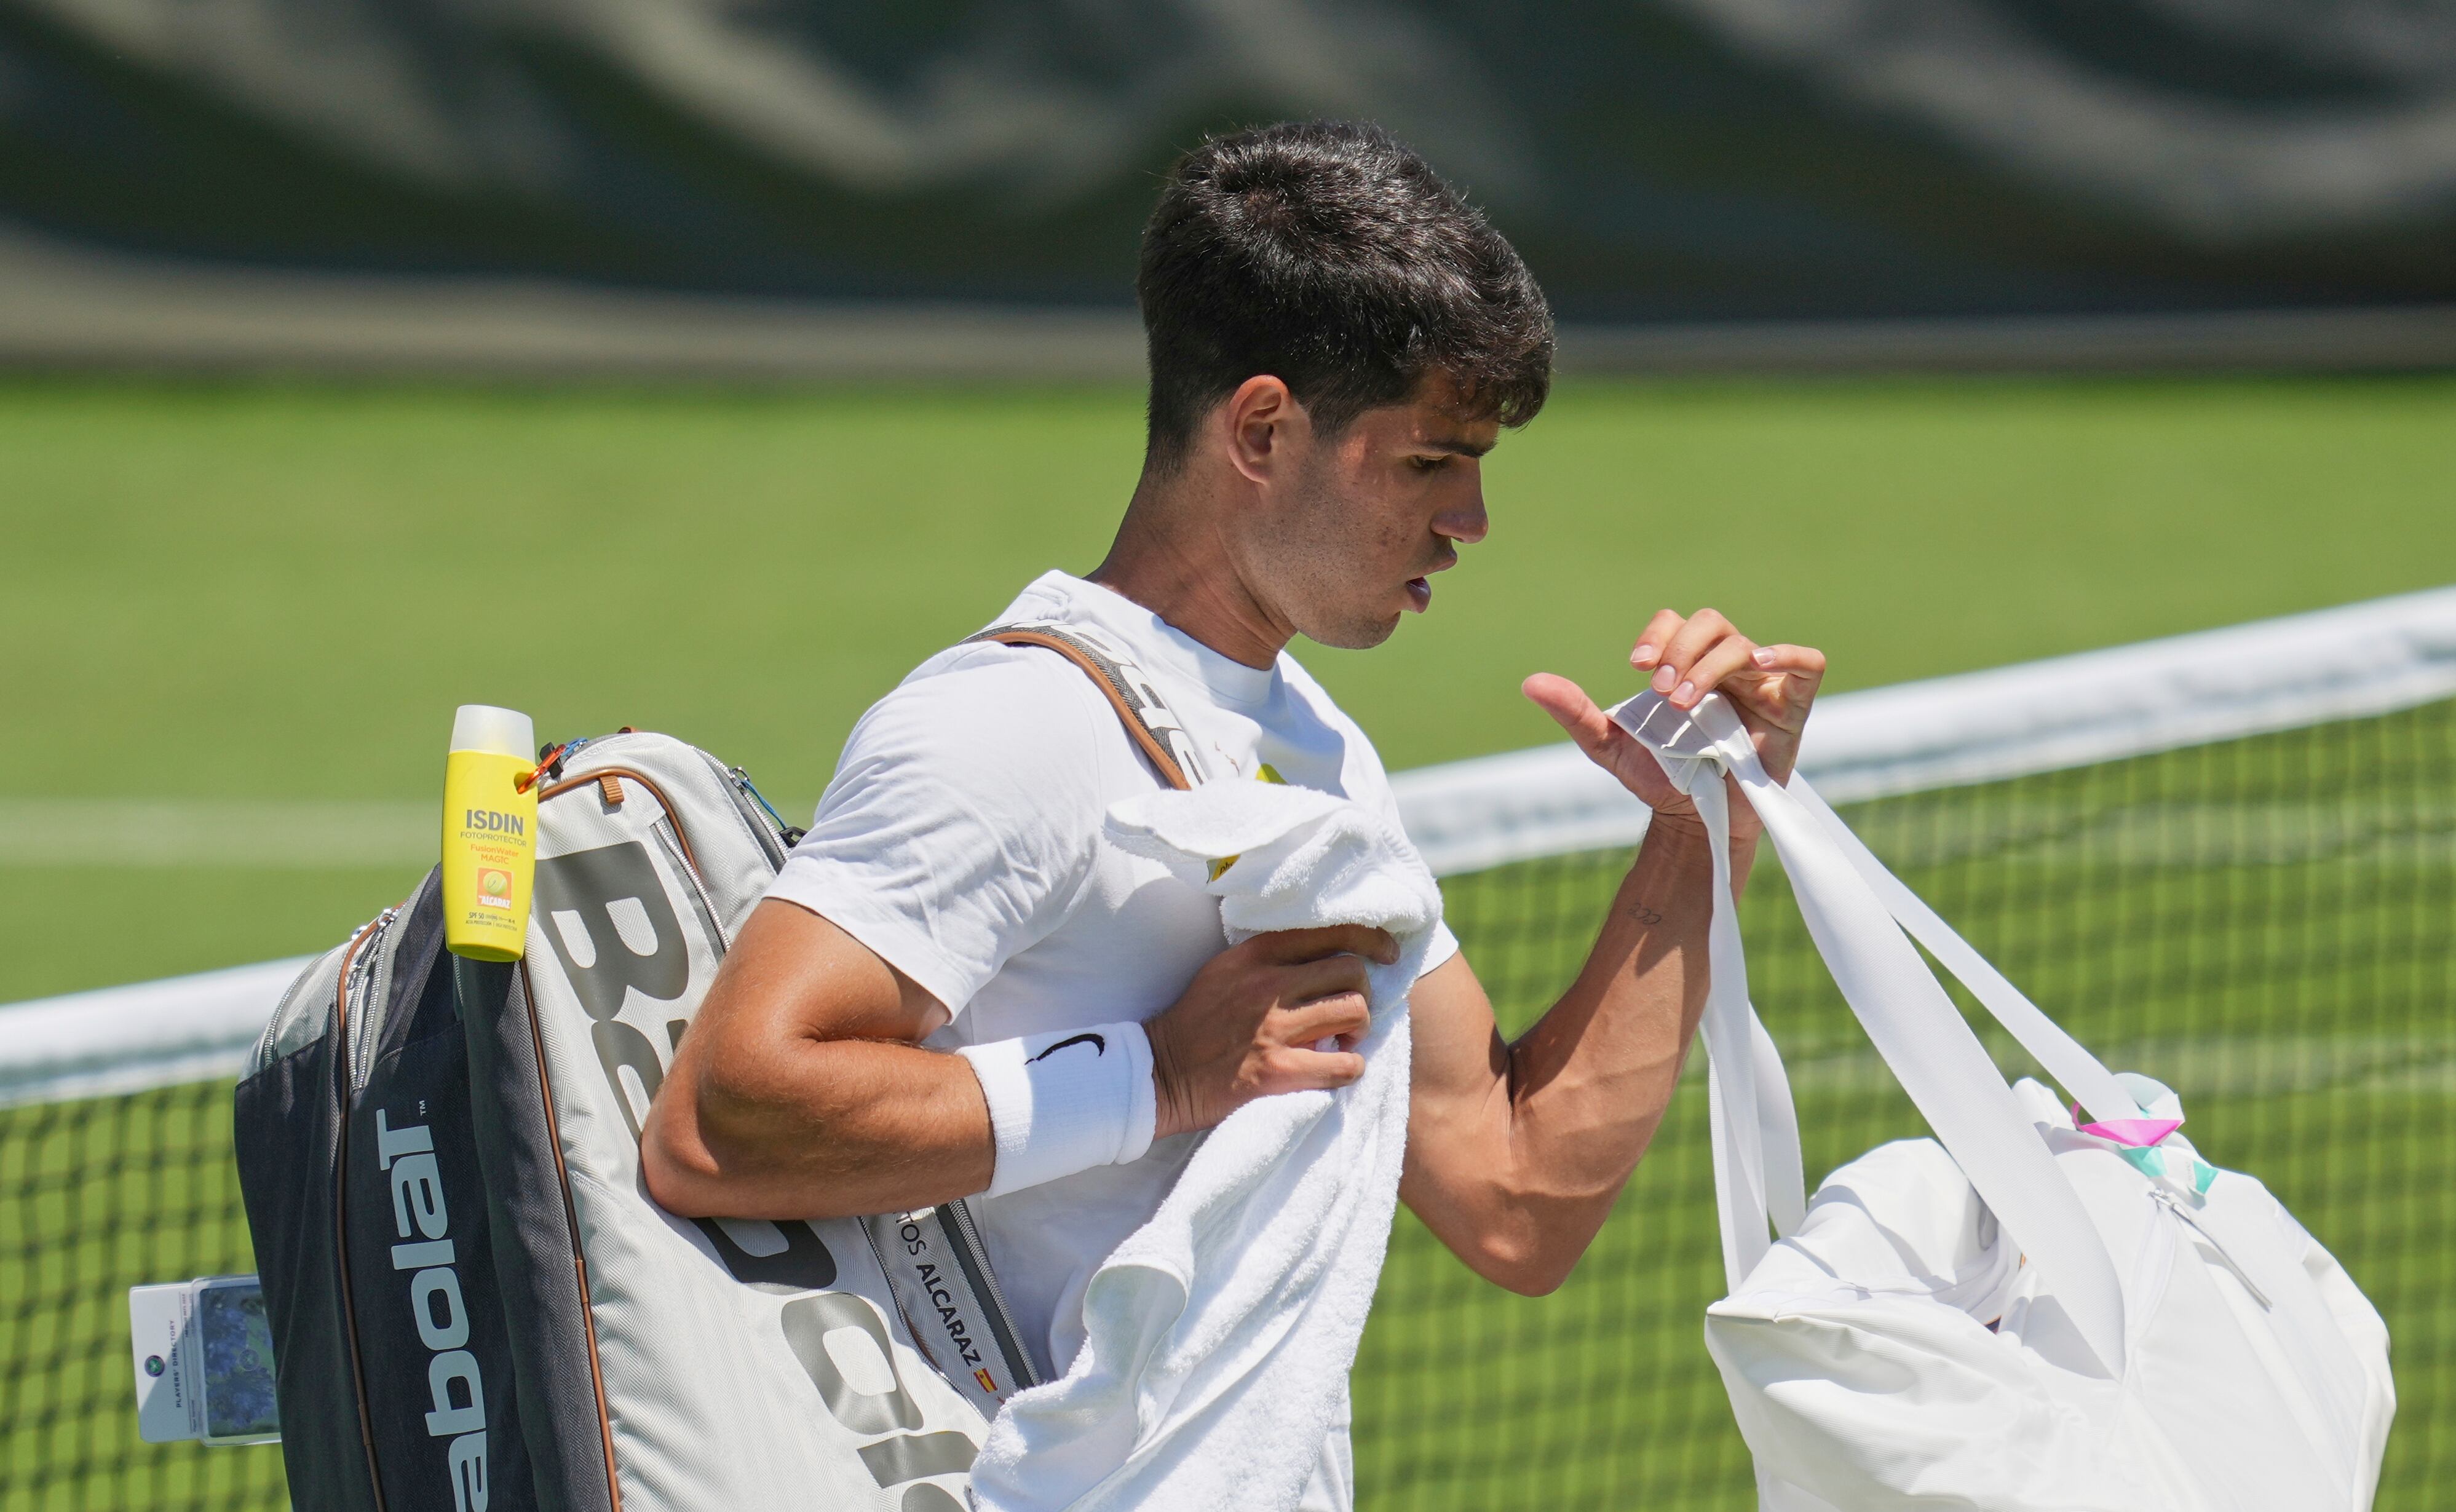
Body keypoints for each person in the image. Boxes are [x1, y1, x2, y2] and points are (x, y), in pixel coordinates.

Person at [641, 119, 1823, 1495]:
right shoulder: (1011, 727)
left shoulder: (1313, 751)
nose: (1474, 520)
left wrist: (1702, 830)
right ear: (1262, 428)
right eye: (1431, 462)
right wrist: (1161, 1075)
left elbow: (1514, 1195)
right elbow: (723, 1122)